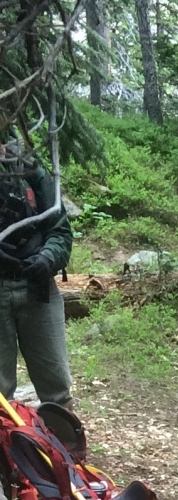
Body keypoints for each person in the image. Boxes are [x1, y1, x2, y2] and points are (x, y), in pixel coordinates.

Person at [0, 127, 74, 409]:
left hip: (38, 287)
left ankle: (63, 448)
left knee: (57, 390)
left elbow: (60, 229)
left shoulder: (30, 166)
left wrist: (47, 259)